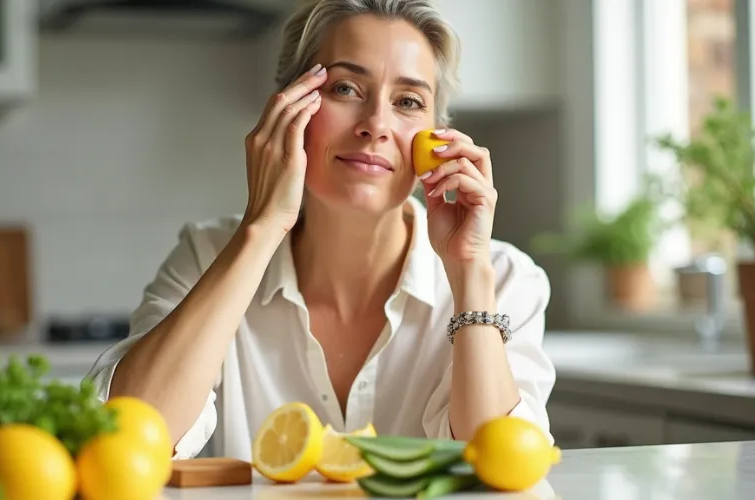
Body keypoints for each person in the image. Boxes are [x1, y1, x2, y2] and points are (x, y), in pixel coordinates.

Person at [86, 0, 556, 461]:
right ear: (289, 107)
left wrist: (469, 273)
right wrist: (262, 224)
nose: (376, 125)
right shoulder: (207, 254)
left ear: (438, 135)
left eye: (408, 101)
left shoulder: (503, 276)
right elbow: (122, 441)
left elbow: (497, 470)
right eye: (346, 89)